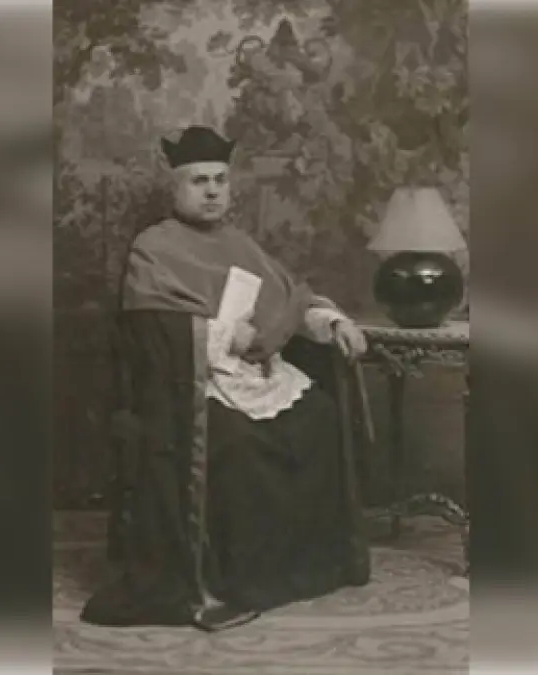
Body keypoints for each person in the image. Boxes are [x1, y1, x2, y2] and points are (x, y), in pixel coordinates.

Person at [80, 126, 371, 631]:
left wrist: (335, 323)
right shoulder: (154, 247)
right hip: (189, 383)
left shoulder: (242, 244)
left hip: (256, 375)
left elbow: (292, 299)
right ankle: (236, 579)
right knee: (235, 442)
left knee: (318, 418)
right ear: (176, 187)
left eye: (220, 180)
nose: (212, 191)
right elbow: (149, 331)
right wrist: (220, 336)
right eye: (199, 181)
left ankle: (298, 568)